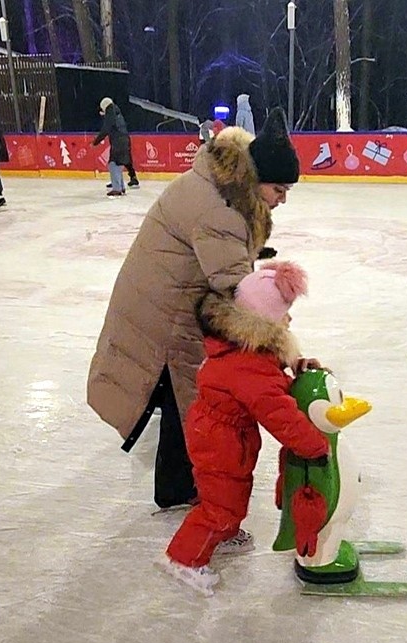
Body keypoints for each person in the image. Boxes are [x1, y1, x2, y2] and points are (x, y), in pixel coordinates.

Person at [87, 107, 300, 509]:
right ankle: (181, 491)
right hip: (163, 310)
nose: (282, 200)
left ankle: (175, 488)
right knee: (189, 396)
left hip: (160, 297)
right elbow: (237, 289)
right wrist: (283, 342)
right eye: (279, 190)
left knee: (181, 394)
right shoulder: (218, 210)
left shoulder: (222, 187)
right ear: (257, 180)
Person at [160, 262, 330, 595]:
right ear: (263, 321)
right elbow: (277, 412)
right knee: (220, 505)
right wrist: (313, 444)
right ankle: (183, 558)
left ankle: (224, 532)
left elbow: (269, 373)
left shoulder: (244, 345)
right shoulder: (246, 364)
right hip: (218, 439)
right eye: (284, 314)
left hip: (225, 433)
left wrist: (297, 365)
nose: (289, 320)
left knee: (233, 493)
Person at [93, 97, 134, 197]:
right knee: (118, 164)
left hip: (118, 142)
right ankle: (121, 187)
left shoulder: (110, 111)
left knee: (113, 163)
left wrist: (96, 141)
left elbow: (106, 128)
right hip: (124, 140)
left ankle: (117, 189)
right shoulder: (117, 112)